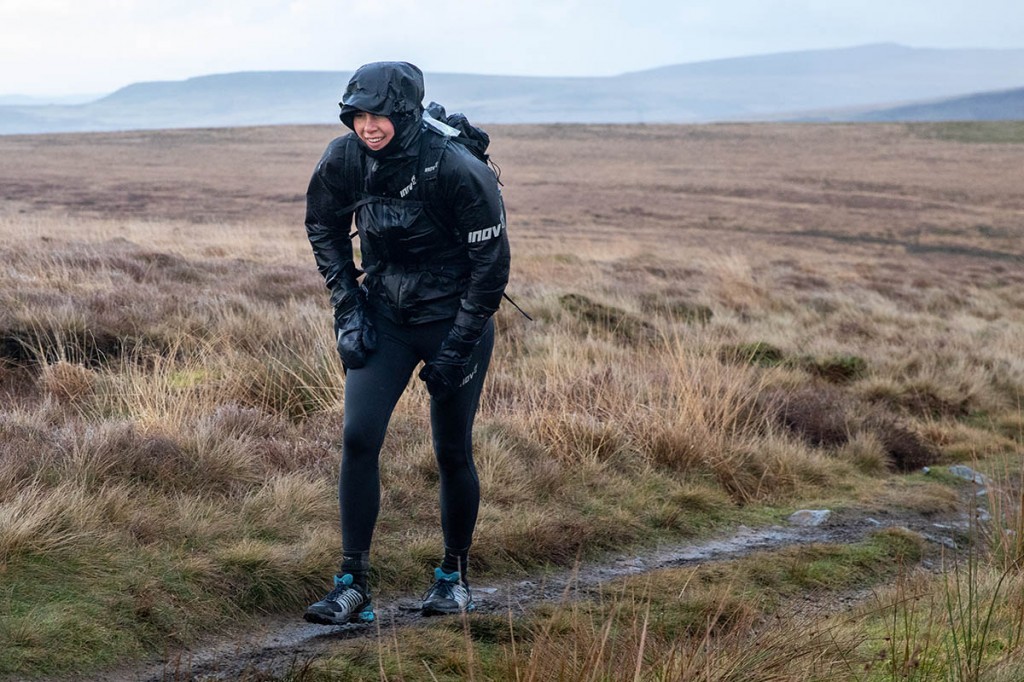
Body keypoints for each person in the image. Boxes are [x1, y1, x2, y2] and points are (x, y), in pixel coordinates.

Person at [302, 61, 510, 625]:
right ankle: (352, 585)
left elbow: (491, 268)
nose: (368, 126)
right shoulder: (343, 158)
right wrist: (348, 309)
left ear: (406, 112)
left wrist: (457, 347)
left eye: (380, 115)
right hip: (384, 314)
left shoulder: (456, 168)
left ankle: (453, 576)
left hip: (453, 317)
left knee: (450, 449)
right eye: (358, 115)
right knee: (358, 437)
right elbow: (321, 225)